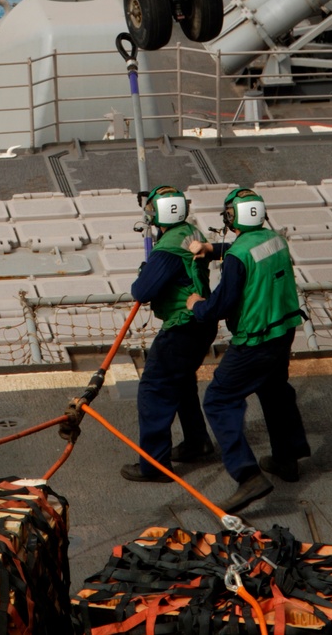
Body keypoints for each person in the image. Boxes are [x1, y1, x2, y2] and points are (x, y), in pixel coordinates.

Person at [185, 186, 310, 513]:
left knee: (218, 400)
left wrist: (196, 305)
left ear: (231, 217)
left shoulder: (238, 257)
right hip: (283, 331)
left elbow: (220, 307)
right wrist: (213, 249)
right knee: (275, 389)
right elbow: (248, 249)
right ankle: (287, 458)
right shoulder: (275, 239)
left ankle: (248, 475)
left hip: (254, 341)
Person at [120, 185, 218, 483]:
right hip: (202, 323)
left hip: (182, 326)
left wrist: (146, 271)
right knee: (183, 382)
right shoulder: (191, 231)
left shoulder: (168, 248)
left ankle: (154, 465)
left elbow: (143, 291)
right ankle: (196, 442)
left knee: (154, 388)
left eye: (151, 210)